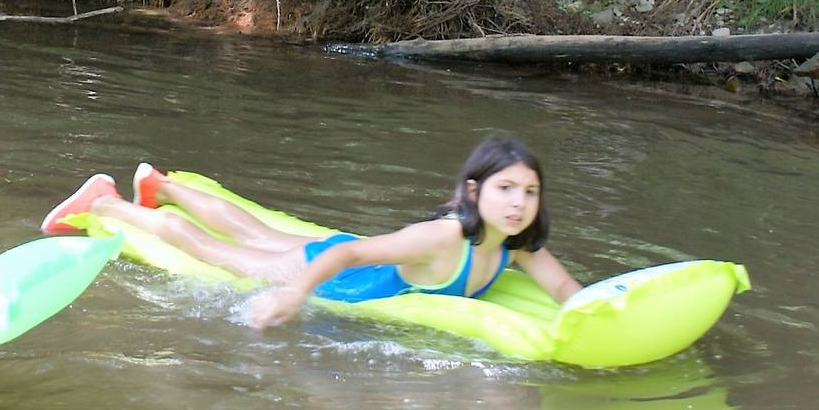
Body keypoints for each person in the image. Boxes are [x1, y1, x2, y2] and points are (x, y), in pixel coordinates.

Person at [41, 134, 582, 329]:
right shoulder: (444, 239)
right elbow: (354, 255)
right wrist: (293, 294)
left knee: (253, 229)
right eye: (505, 189)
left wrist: (602, 315)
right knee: (213, 250)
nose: (518, 204)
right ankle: (108, 204)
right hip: (329, 275)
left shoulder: (518, 245)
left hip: (336, 260)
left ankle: (160, 184)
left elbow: (565, 291)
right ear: (473, 192)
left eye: (529, 192)